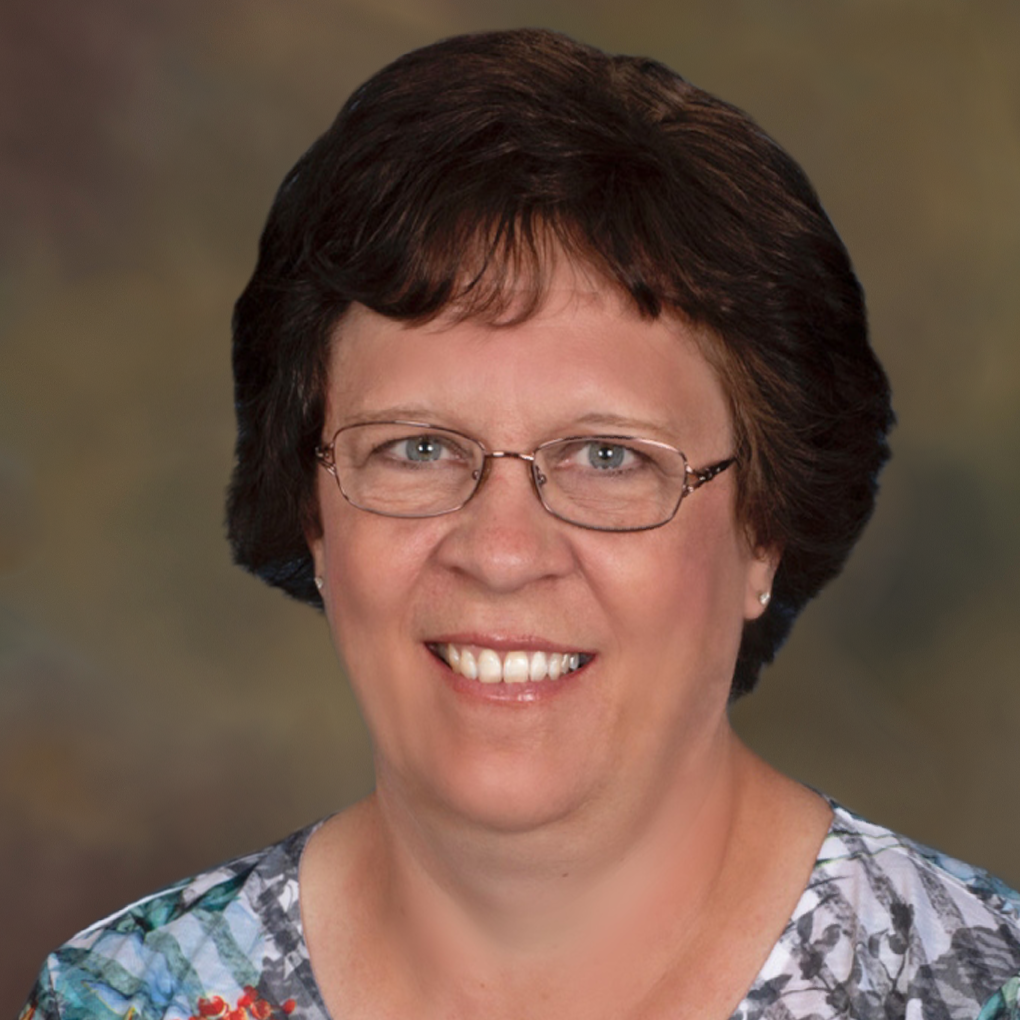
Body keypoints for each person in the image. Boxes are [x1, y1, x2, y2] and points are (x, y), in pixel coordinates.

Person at [20, 28, 1020, 1020]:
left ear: (763, 529)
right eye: (417, 449)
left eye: (608, 458)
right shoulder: (123, 999)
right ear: (314, 516)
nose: (501, 553)